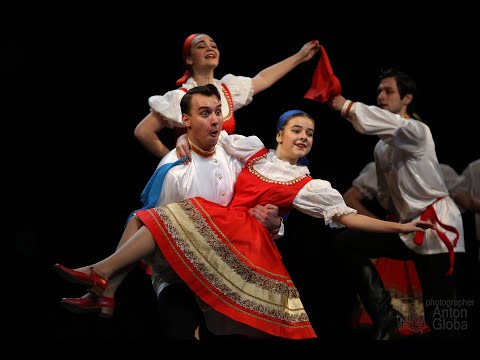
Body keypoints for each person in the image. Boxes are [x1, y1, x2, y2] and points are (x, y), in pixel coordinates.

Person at [54, 107, 433, 340]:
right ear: (279, 135)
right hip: (221, 227)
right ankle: (104, 289)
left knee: (160, 219)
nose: (304, 137)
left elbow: (347, 218)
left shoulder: (307, 185)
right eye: (297, 130)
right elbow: (215, 132)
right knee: (145, 217)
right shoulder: (251, 152)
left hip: (246, 242)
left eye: (310, 134)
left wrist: (398, 228)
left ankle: (101, 276)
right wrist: (184, 137)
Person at [59, 85, 283, 341]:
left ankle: (104, 285)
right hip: (180, 275)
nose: (214, 119)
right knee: (156, 219)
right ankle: (105, 285)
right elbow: (157, 243)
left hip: (234, 270)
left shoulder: (234, 153)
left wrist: (276, 225)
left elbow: (268, 199)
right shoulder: (174, 170)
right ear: (185, 120)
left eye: (218, 112)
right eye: (205, 113)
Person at [328, 68, 465, 339]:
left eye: (388, 91)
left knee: (441, 318)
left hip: (437, 229)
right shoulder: (381, 148)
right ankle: (386, 317)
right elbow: (387, 195)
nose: (381, 95)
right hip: (409, 228)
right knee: (345, 242)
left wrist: (347, 106)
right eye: (378, 91)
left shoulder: (417, 131)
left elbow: (390, 125)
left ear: (407, 99)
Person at [134, 33, 321, 159]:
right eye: (201, 46)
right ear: (189, 59)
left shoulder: (227, 90)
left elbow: (263, 78)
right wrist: (174, 158)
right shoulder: (180, 97)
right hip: (194, 175)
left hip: (225, 170)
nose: (210, 48)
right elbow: (143, 131)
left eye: (213, 45)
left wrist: (299, 56)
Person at [344, 161, 465, 337]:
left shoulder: (442, 171)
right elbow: (350, 198)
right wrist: (383, 227)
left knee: (436, 315)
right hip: (397, 238)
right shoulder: (382, 166)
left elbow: (466, 201)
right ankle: (388, 320)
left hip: (430, 242)